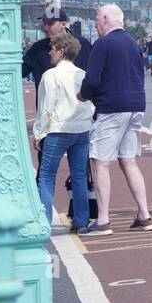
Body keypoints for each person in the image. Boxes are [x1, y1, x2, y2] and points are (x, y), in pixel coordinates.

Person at [77, 4, 152, 234]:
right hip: (136, 105)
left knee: (100, 162)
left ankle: (102, 220)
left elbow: (91, 80)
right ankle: (144, 214)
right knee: (128, 160)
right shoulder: (132, 43)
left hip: (112, 107)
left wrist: (82, 95)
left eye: (96, 19)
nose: (94, 23)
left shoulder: (103, 44)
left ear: (105, 18)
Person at [33, 33, 95, 233]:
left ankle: (44, 222)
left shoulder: (50, 75)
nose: (50, 52)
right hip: (82, 129)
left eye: (53, 49)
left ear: (61, 52)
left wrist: (39, 133)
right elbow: (90, 102)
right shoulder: (82, 74)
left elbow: (46, 108)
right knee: (79, 175)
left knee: (46, 175)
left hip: (59, 130)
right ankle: (80, 220)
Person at [23, 9, 91, 85]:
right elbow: (21, 71)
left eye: (50, 24)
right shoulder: (37, 48)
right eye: (44, 23)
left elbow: (93, 73)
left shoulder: (83, 44)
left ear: (63, 24)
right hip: (48, 95)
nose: (45, 27)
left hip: (76, 95)